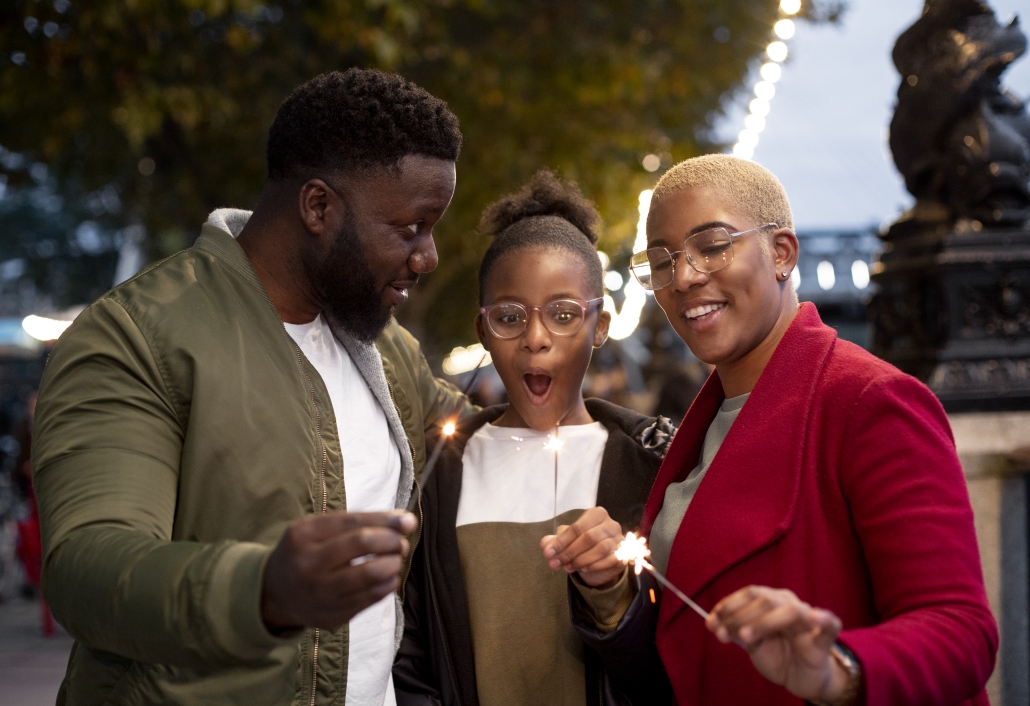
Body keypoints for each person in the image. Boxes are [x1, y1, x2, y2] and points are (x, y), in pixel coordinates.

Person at [32, 69, 475, 706]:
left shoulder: (385, 347)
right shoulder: (136, 336)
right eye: (412, 227)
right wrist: (262, 588)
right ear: (318, 206)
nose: (428, 256)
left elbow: (485, 434)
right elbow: (87, 569)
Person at [546, 155, 998, 705]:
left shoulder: (870, 401)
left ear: (781, 253)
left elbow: (961, 631)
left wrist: (839, 670)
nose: (684, 277)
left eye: (712, 246)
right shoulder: (705, 424)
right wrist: (612, 591)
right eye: (661, 262)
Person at [393, 171, 675, 706]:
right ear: (483, 331)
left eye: (565, 315)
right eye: (509, 318)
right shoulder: (440, 468)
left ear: (600, 327)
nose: (537, 339)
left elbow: (674, 667)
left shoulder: (653, 465)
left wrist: (612, 595)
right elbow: (410, 654)